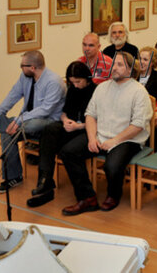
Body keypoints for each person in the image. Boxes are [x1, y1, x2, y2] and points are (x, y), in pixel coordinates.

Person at [60, 52, 153, 215]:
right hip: (100, 135)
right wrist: (91, 138)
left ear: (130, 69)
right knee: (68, 152)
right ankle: (87, 198)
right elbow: (90, 115)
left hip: (128, 139)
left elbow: (138, 125)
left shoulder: (139, 91)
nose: (114, 68)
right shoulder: (102, 87)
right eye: (113, 64)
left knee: (112, 165)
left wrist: (115, 141)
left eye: (119, 65)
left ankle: (113, 195)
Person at [0, 51, 65, 193]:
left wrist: (18, 120)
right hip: (27, 122)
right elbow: (12, 96)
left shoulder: (53, 82)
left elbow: (45, 110)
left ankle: (1, 124)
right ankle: (14, 177)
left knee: (26, 124)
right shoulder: (25, 77)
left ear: (32, 67)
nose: (20, 68)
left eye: (22, 65)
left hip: (49, 123)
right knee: (7, 133)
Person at [27, 61, 96, 207]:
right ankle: (45, 181)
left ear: (87, 78)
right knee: (49, 130)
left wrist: (78, 126)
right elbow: (64, 112)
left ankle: (86, 197)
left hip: (88, 129)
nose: (75, 85)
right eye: (72, 82)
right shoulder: (72, 89)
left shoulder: (96, 92)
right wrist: (65, 121)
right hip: (72, 125)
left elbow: (99, 121)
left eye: (78, 81)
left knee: (67, 151)